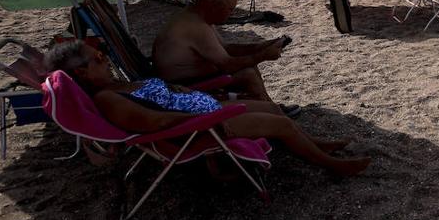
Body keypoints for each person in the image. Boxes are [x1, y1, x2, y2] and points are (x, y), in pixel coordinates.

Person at [44, 40, 371, 176]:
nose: (105, 59)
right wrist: (207, 119)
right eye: (98, 59)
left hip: (204, 108)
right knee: (281, 125)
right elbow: (154, 123)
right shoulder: (108, 99)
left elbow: (160, 99)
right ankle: (331, 164)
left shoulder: (115, 85)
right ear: (81, 74)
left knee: (273, 111)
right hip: (199, 126)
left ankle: (316, 144)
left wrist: (180, 90)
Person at [152, 0, 281, 102]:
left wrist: (261, 47)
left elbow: (226, 48)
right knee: (248, 74)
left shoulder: (198, 17)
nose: (230, 14)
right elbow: (227, 65)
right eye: (229, 9)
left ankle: (268, 104)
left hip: (190, 78)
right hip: (182, 86)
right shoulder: (196, 27)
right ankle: (270, 108)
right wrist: (263, 55)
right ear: (212, 5)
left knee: (249, 65)